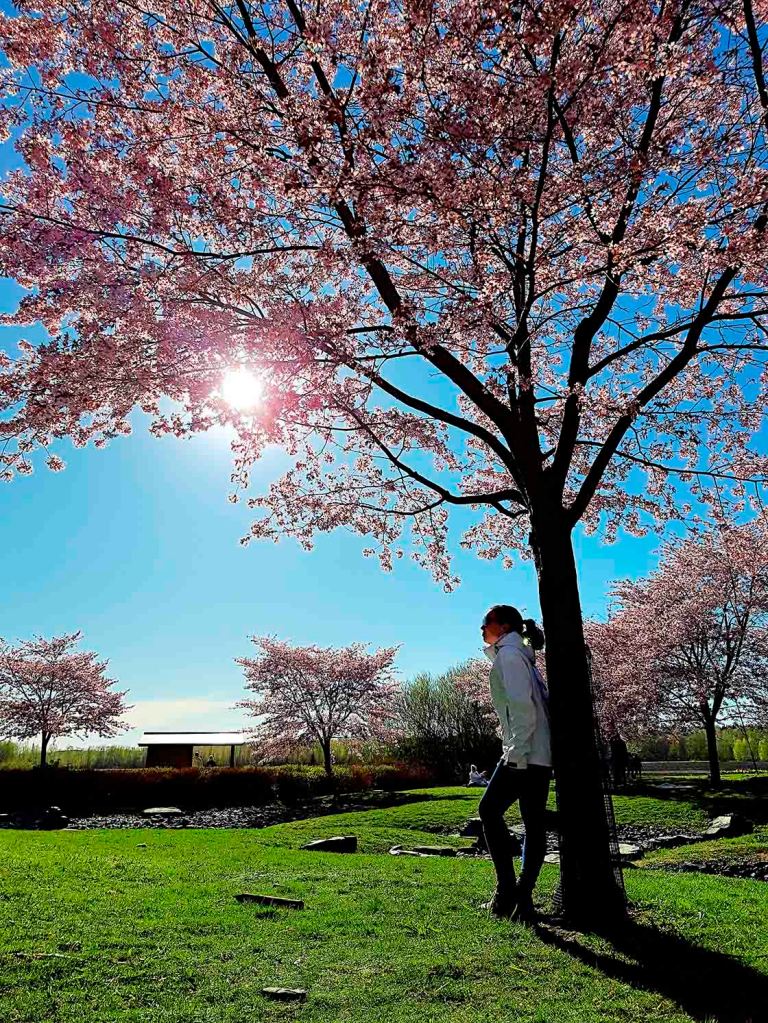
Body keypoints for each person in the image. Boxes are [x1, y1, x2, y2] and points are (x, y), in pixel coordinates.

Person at [478, 605, 552, 922]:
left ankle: (508, 891)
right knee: (533, 823)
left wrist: (516, 754)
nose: (481, 629)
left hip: (525, 754)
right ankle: (521, 896)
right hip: (539, 754)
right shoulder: (520, 655)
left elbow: (523, 709)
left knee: (488, 810)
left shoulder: (510, 657)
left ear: (504, 626)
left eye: (486, 623)